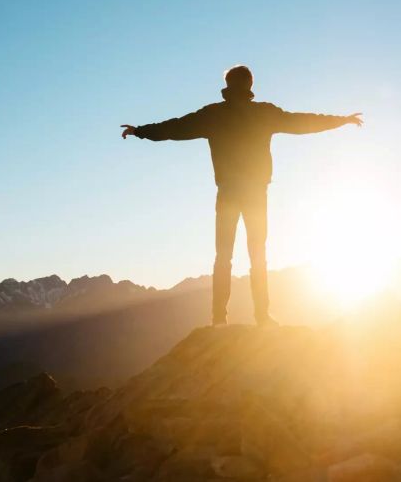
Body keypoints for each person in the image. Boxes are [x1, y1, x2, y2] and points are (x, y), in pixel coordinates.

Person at [121, 65, 362, 326]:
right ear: (250, 85)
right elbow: (303, 122)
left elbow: (175, 128)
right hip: (256, 193)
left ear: (227, 84)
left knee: (223, 256)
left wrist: (140, 131)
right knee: (258, 254)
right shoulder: (264, 113)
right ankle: (261, 316)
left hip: (228, 193)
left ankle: (218, 318)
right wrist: (341, 120)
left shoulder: (214, 114)